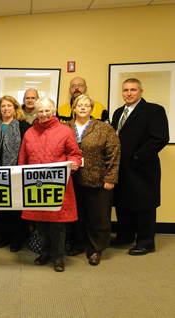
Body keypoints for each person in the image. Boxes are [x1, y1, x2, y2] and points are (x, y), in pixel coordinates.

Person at [18, 97, 82, 272]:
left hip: (58, 185)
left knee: (57, 223)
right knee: (40, 222)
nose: (44, 114)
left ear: (53, 111)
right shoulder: (30, 132)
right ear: (36, 112)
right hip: (34, 185)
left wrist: (73, 163)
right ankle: (45, 252)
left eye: (47, 110)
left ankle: (58, 256)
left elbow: (74, 154)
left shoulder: (65, 131)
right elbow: (22, 158)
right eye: (40, 111)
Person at [111, 78, 169, 256]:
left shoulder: (154, 110)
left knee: (144, 205)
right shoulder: (118, 112)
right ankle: (125, 236)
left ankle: (146, 242)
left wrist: (138, 157)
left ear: (141, 92)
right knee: (123, 203)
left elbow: (160, 138)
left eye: (133, 90)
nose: (129, 93)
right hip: (121, 167)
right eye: (126, 90)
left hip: (142, 167)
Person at [64, 94, 121, 265]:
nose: (82, 107)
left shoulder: (104, 128)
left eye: (86, 105)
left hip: (98, 180)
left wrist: (110, 177)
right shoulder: (66, 127)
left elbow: (114, 153)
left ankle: (96, 249)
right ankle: (79, 244)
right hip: (72, 180)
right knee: (77, 216)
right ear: (73, 108)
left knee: (98, 216)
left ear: (91, 108)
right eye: (79, 105)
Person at [0, 96, 30, 252]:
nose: (6, 108)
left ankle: (17, 240)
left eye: (9, 105)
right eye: (3, 106)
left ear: (15, 108)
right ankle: (4, 237)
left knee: (16, 207)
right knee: (1, 207)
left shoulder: (24, 127)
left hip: (16, 174)